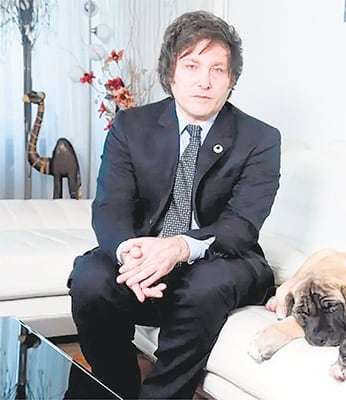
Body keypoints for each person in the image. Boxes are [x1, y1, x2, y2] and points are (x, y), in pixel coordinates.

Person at [68, 10, 280, 399]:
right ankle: (116, 388)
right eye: (192, 65)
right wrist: (130, 254)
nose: (204, 80)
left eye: (218, 69)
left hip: (220, 259)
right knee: (90, 277)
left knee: (205, 285)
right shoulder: (131, 126)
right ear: (171, 73)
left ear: (231, 80)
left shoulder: (260, 139)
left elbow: (241, 227)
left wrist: (179, 247)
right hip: (146, 254)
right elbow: (111, 206)